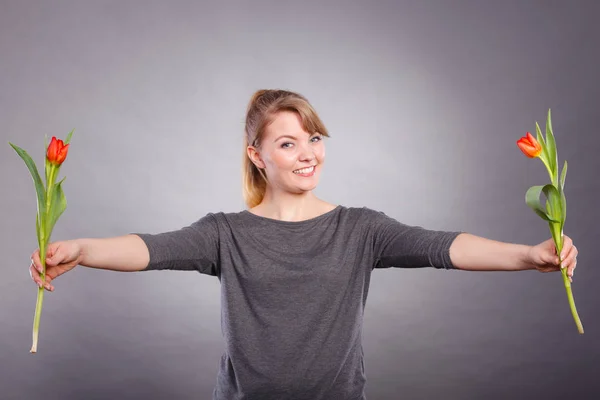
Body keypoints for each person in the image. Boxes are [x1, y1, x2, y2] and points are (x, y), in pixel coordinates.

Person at [29, 89, 578, 400]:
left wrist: (528, 256)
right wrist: (81, 248)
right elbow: (151, 249)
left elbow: (444, 247)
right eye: (288, 142)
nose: (308, 153)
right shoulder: (226, 233)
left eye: (313, 138)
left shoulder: (360, 228)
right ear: (257, 155)